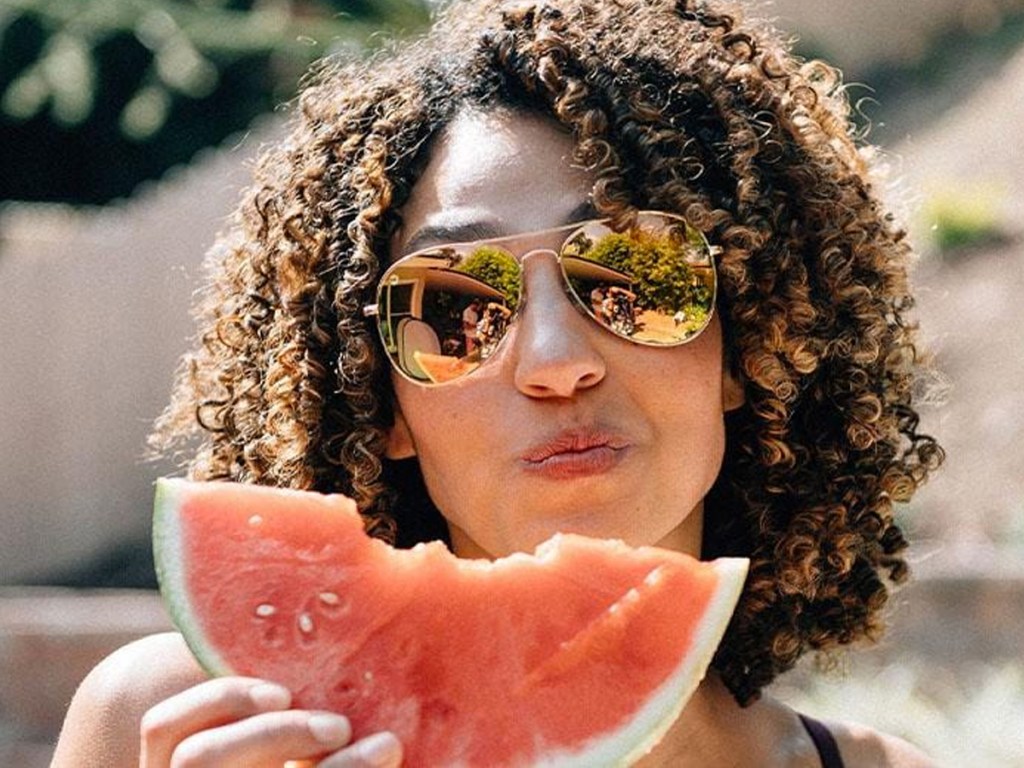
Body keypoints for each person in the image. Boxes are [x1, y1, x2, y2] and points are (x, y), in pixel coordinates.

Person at [52, 0, 945, 765]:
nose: (557, 360)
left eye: (638, 278)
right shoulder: (179, 728)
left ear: (750, 349)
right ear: (382, 405)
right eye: (451, 307)